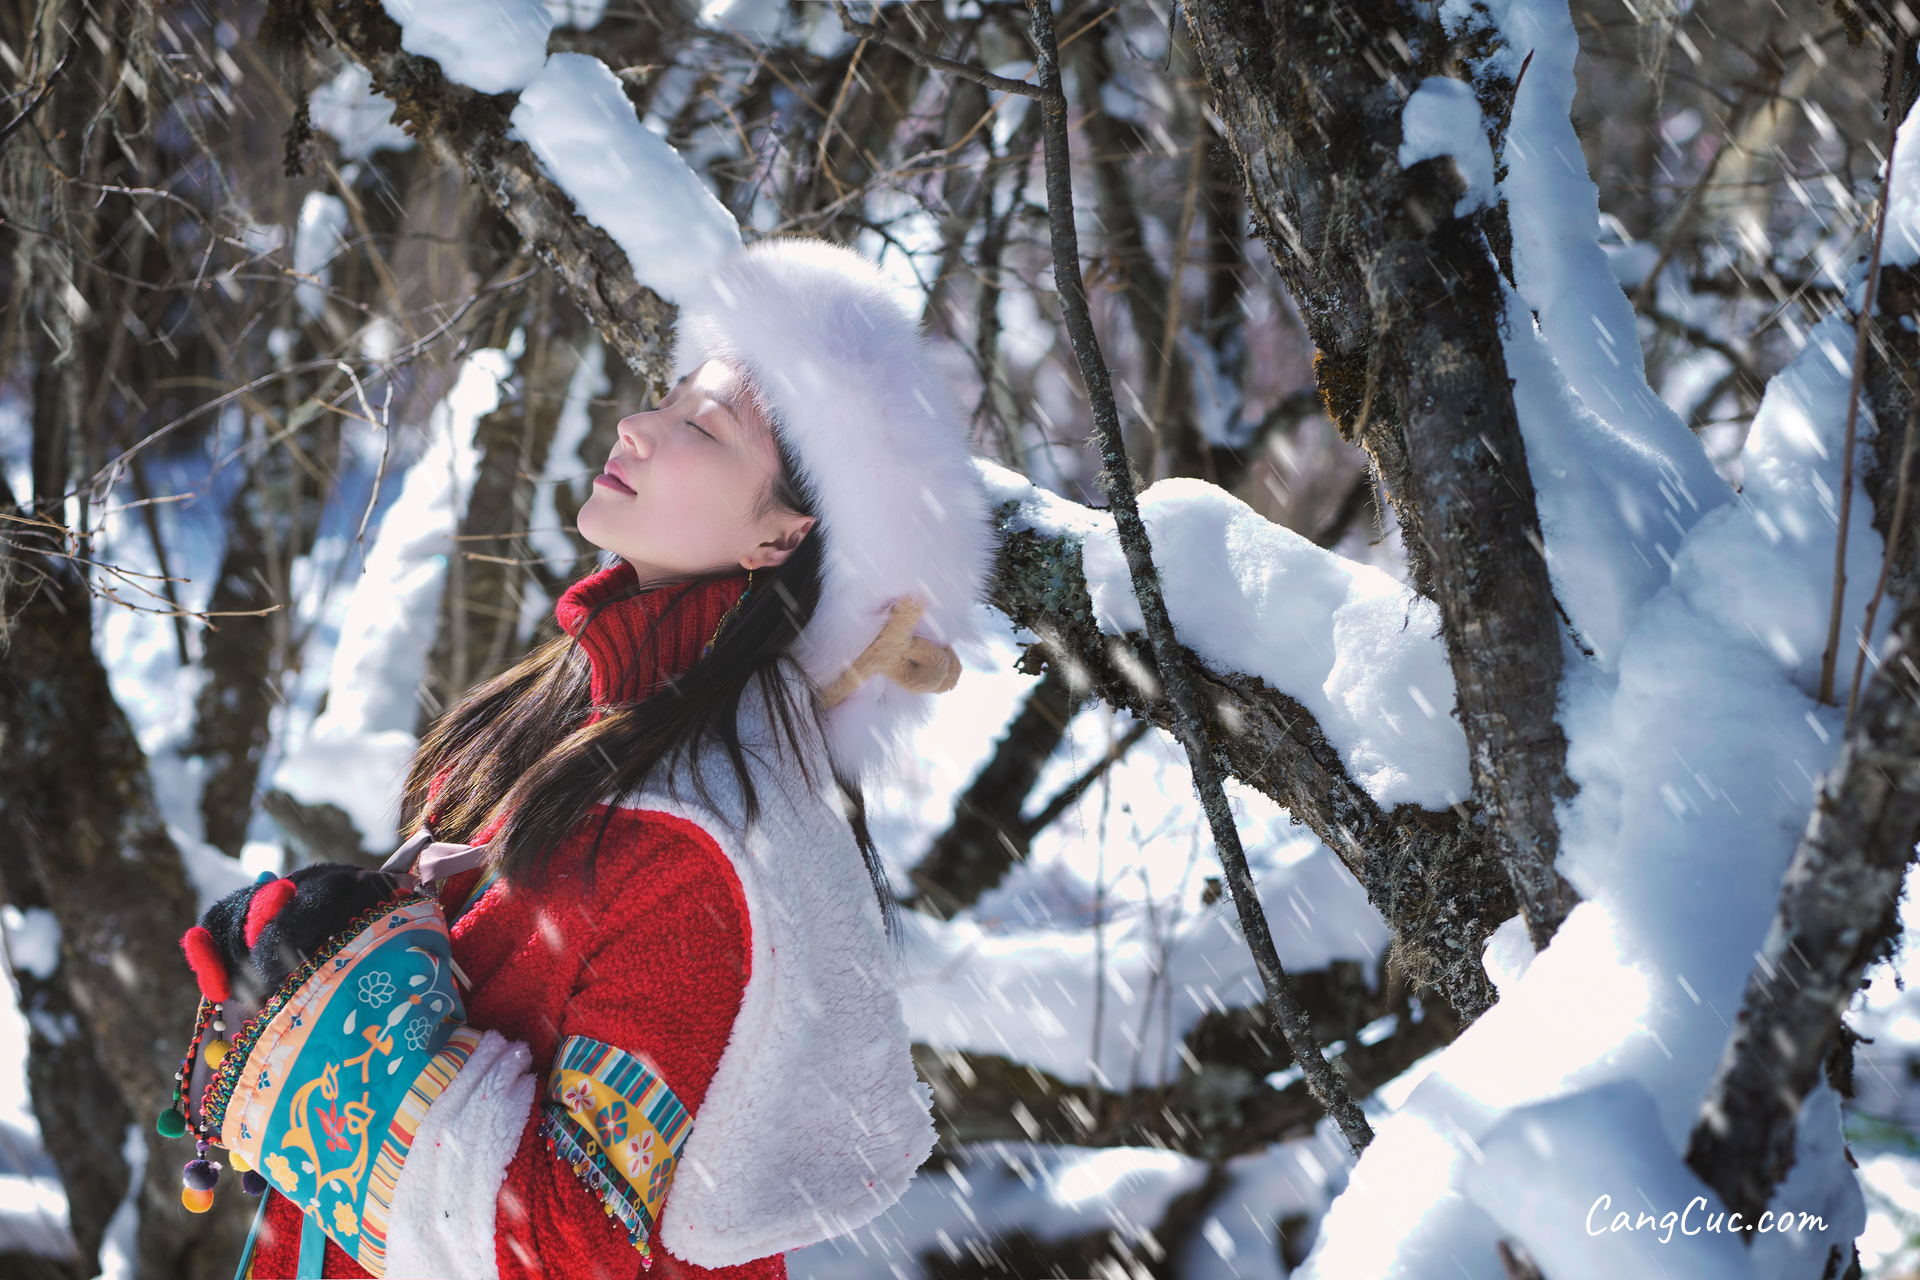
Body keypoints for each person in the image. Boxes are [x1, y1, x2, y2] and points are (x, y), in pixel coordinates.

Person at [165, 238, 993, 1279]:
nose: (636, 424)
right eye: (665, 399)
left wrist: (344, 1053)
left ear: (780, 538)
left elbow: (567, 1240)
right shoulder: (556, 713)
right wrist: (314, 963)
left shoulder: (709, 850)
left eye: (701, 426)